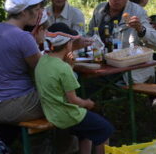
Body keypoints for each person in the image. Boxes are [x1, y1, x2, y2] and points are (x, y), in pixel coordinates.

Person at [35, 23, 114, 154]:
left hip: (51, 112)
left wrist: (70, 66)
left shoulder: (43, 61)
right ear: (68, 45)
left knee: (87, 131)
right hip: (67, 116)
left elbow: (60, 83)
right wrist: (88, 103)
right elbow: (73, 100)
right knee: (105, 129)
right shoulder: (63, 68)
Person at [0, 0, 46, 123]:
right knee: (65, 102)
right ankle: (62, 144)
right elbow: (42, 69)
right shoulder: (23, 37)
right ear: (24, 12)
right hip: (14, 105)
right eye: (36, 10)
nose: (39, 13)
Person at [88, 0, 156, 83]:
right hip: (100, 64)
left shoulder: (137, 11)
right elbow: (89, 35)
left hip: (125, 70)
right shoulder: (100, 9)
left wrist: (141, 29)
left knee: (92, 85)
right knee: (80, 80)